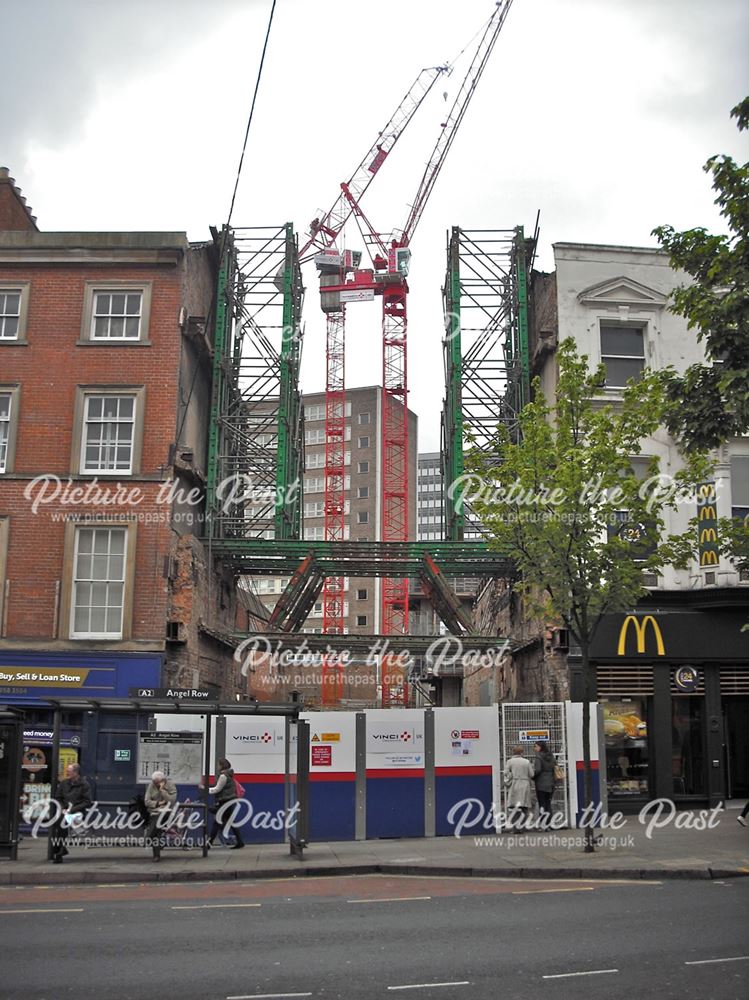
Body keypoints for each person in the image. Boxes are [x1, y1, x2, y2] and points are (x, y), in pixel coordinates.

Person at [50, 763, 92, 864]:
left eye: (69, 771)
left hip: (77, 812)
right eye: (67, 771)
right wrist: (63, 808)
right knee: (58, 823)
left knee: (62, 823)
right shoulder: (64, 783)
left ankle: (59, 851)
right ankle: (60, 849)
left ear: (76, 772)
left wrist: (72, 810)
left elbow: (87, 802)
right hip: (65, 811)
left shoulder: (84, 784)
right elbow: (58, 798)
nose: (67, 773)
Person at [200, 758, 244, 849]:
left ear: (221, 765)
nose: (217, 766)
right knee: (230, 821)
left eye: (218, 764)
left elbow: (217, 789)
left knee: (217, 821)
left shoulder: (223, 776)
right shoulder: (229, 775)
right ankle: (240, 842)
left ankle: (209, 843)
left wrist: (205, 789)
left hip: (225, 802)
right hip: (230, 801)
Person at [143, 770, 177, 861]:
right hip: (154, 812)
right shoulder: (151, 785)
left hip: (167, 813)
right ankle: (156, 855)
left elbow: (171, 801)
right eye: (154, 782)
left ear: (163, 780)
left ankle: (148, 838)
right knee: (157, 831)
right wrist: (159, 803)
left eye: (157, 783)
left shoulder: (171, 786)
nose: (155, 785)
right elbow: (147, 801)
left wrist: (162, 791)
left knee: (157, 823)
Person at [504, 746, 534, 829]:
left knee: (515, 807)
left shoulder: (510, 761)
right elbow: (531, 774)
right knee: (524, 806)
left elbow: (506, 773)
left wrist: (511, 775)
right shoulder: (526, 762)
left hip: (515, 784)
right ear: (522, 752)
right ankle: (522, 826)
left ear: (513, 752)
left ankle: (515, 827)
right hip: (525, 784)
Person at [533, 740, 557, 828]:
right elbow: (555, 767)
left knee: (542, 804)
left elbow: (538, 770)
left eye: (536, 746)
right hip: (551, 783)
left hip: (541, 783)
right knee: (548, 803)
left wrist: (533, 776)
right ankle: (549, 824)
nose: (534, 748)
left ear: (540, 747)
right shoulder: (551, 756)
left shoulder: (538, 757)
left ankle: (543, 824)